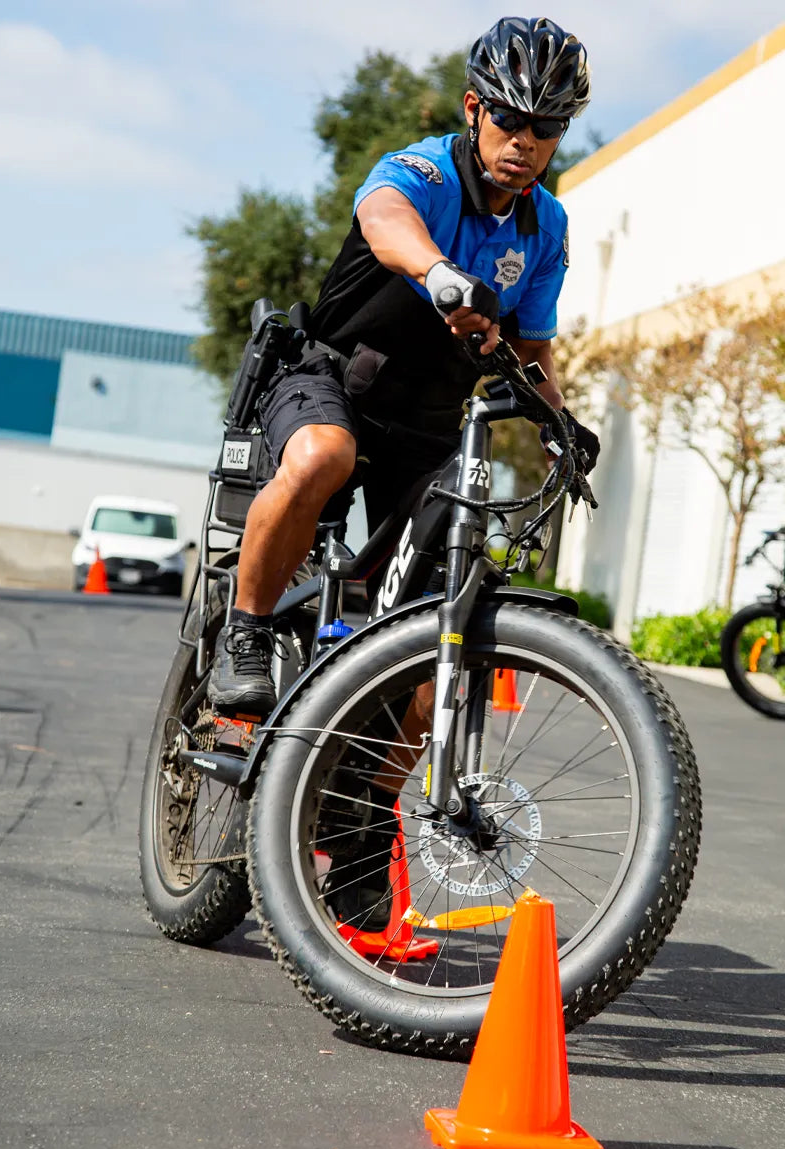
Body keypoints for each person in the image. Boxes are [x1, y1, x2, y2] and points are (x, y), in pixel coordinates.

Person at [209, 16, 596, 721]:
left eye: (546, 127)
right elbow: (386, 220)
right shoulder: (423, 171)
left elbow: (533, 350)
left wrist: (559, 423)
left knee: (446, 608)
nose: (525, 141)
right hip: (332, 380)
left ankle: (360, 808)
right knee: (325, 453)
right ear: (475, 107)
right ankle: (247, 632)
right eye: (509, 117)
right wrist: (441, 274)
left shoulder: (548, 227)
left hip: (427, 419)